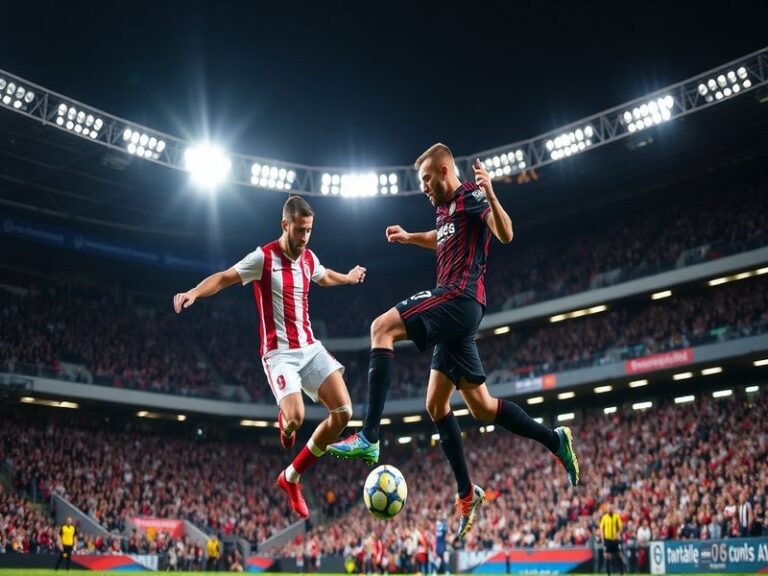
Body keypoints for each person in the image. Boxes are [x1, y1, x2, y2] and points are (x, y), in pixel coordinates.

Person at [328, 143, 580, 540]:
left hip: (459, 297)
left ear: (445, 171)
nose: (424, 188)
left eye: (427, 179)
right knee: (467, 406)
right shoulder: (445, 210)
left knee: (381, 328)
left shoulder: (471, 197)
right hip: (458, 310)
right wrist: (412, 238)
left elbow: (506, 233)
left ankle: (370, 436)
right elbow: (442, 236)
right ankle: (545, 446)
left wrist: (492, 194)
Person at [174, 195, 366, 518]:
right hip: (279, 354)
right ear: (285, 225)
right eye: (300, 230)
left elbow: (324, 275)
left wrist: (346, 277)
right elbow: (224, 278)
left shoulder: (308, 258)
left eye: (309, 231)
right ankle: (286, 424)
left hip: (309, 346)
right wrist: (193, 292)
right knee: (296, 418)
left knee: (344, 412)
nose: (304, 238)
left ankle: (291, 477)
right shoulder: (263, 258)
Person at [600, 504, 624, 576]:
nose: (610, 509)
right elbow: (601, 528)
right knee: (607, 556)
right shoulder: (604, 517)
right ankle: (608, 574)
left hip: (614, 539)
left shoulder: (616, 517)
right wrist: (602, 538)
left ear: (612, 509)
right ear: (607, 510)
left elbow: (621, 526)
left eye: (611, 508)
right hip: (607, 540)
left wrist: (618, 533)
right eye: (609, 508)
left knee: (618, 555)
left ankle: (621, 572)